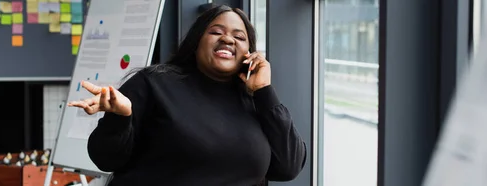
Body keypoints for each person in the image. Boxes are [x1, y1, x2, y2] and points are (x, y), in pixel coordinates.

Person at [67, 4, 307, 186]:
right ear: (196, 41)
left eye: (239, 37)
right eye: (216, 32)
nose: (227, 39)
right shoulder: (154, 83)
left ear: (249, 53)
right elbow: (106, 159)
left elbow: (288, 167)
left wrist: (264, 92)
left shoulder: (256, 102)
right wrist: (119, 118)